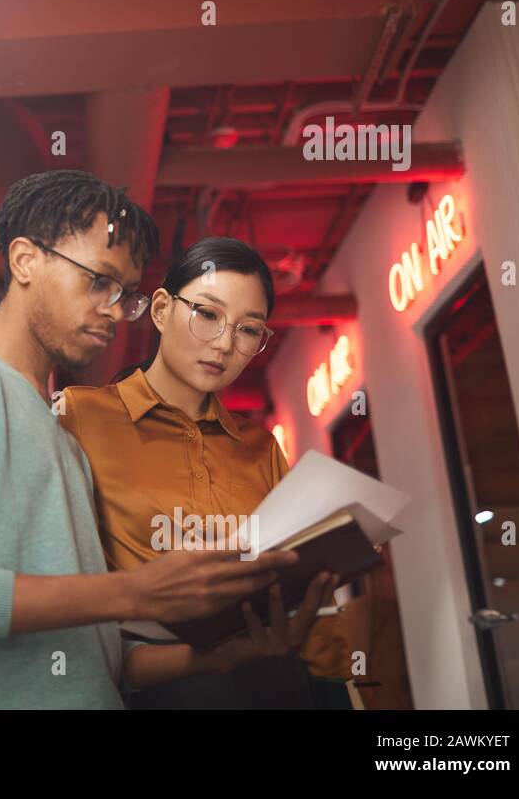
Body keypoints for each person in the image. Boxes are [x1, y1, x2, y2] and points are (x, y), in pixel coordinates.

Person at [0, 171, 302, 709]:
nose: (116, 311)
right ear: (25, 260)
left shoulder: (60, 434)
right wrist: (133, 591)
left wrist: (212, 660)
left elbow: (97, 660)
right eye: (99, 281)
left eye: (125, 295)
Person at [58, 236, 343, 708]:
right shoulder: (79, 416)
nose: (225, 344)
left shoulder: (259, 447)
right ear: (162, 309)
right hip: (151, 690)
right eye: (207, 314)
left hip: (273, 684)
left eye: (248, 329)